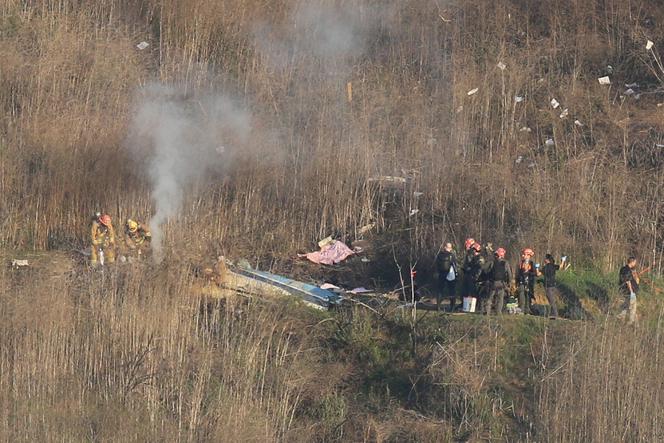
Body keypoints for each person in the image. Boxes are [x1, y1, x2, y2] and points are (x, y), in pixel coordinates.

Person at [485, 247, 513, 315]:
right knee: (500, 299)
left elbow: (487, 271)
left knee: (490, 298)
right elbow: (509, 274)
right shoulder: (505, 263)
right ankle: (498, 312)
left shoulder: (492, 262)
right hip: (501, 283)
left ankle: (487, 312)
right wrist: (509, 283)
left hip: (493, 283)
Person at [435, 242, 458, 312]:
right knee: (452, 290)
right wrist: (456, 274)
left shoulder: (439, 255)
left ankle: (438, 307)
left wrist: (437, 273)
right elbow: (454, 265)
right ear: (450, 248)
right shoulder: (452, 255)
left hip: (441, 274)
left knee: (440, 290)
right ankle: (452, 306)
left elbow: (436, 265)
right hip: (450, 274)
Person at [462, 242, 484, 311]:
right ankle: (471, 307)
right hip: (472, 277)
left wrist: (476, 277)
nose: (473, 251)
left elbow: (480, 269)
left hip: (476, 278)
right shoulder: (474, 258)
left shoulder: (480, 258)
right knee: (471, 293)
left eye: (473, 250)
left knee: (476, 294)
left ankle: (475, 308)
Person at [541, 254, 565, 318]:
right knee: (553, 300)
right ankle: (552, 314)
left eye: (545, 259)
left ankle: (555, 315)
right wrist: (563, 260)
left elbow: (538, 273)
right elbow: (561, 267)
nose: (544, 260)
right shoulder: (553, 266)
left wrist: (537, 268)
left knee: (551, 301)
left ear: (547, 260)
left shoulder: (545, 267)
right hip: (553, 285)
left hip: (548, 286)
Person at [516, 248, 538, 314]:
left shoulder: (532, 263)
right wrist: (517, 281)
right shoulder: (521, 263)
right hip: (522, 282)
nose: (523, 256)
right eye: (523, 254)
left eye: (525, 254)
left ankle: (527, 310)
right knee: (521, 296)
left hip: (529, 282)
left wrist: (528, 273)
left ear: (528, 255)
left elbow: (535, 273)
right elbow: (518, 273)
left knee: (528, 296)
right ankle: (521, 310)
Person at [618, 257, 639, 324]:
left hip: (623, 290)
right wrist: (632, 292)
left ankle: (621, 318)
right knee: (633, 307)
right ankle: (630, 322)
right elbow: (628, 281)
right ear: (632, 262)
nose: (635, 263)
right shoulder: (627, 270)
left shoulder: (624, 269)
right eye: (635, 262)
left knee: (626, 304)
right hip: (628, 291)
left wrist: (635, 276)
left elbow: (635, 281)